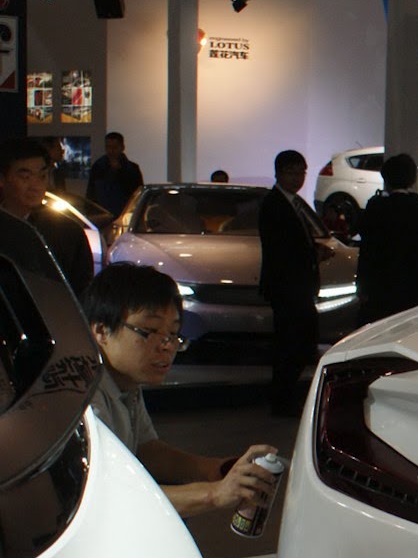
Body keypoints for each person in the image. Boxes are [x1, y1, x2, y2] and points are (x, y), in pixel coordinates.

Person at [82, 263, 279, 518]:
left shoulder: (125, 382)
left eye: (174, 334)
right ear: (101, 331)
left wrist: (217, 469)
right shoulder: (83, 397)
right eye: (150, 331)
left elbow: (146, 449)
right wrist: (215, 493)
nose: (167, 346)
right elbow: (108, 495)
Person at [259, 149, 334, 416]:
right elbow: (281, 248)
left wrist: (314, 251)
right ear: (278, 173)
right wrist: (313, 254)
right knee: (291, 344)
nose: (297, 178)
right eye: (291, 172)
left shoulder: (293, 202)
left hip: (296, 286)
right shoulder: (274, 204)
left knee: (298, 342)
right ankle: (283, 399)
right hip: (287, 287)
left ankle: (285, 398)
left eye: (301, 172)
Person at [0, 137, 93, 295]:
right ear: (2, 179)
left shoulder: (67, 232)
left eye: (42, 176)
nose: (35, 186)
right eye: (25, 177)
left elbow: (80, 292)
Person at [356, 154, 418, 322]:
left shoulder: (376, 208)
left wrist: (362, 287)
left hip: (379, 288)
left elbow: (367, 251)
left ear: (386, 179)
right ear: (413, 179)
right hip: (412, 288)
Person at [86, 131, 144, 217]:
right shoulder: (98, 167)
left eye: (115, 147)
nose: (111, 150)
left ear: (122, 147)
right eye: (108, 147)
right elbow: (91, 194)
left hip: (124, 215)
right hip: (102, 215)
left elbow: (137, 195)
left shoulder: (132, 169)